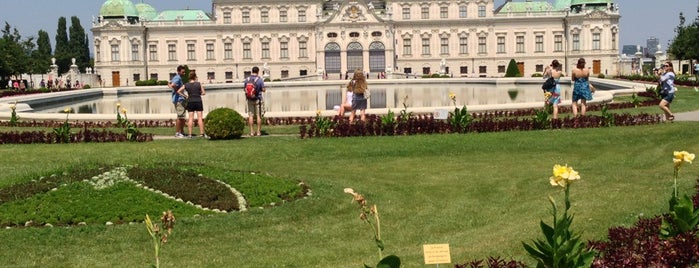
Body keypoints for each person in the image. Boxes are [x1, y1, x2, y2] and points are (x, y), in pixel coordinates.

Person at [178, 72, 206, 137]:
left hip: (190, 101)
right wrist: (199, 94)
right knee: (200, 118)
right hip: (198, 101)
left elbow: (178, 91)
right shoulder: (199, 84)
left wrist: (185, 96)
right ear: (195, 77)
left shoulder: (186, 84)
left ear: (189, 77)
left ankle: (190, 134)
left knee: (190, 118)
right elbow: (204, 92)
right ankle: (202, 133)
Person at [244, 66, 266, 136]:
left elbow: (244, 89)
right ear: (258, 72)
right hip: (258, 99)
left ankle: (251, 132)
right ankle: (258, 132)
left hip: (249, 99)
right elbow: (263, 89)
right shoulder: (260, 80)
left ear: (252, 71)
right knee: (258, 116)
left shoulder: (247, 79)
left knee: (251, 116)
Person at [169, 65, 187, 138]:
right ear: (179, 71)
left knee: (182, 116)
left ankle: (181, 132)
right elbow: (172, 85)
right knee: (180, 117)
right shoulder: (177, 78)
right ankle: (177, 133)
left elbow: (169, 84)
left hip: (179, 99)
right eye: (183, 72)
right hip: (179, 99)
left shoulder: (177, 78)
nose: (184, 73)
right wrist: (177, 91)